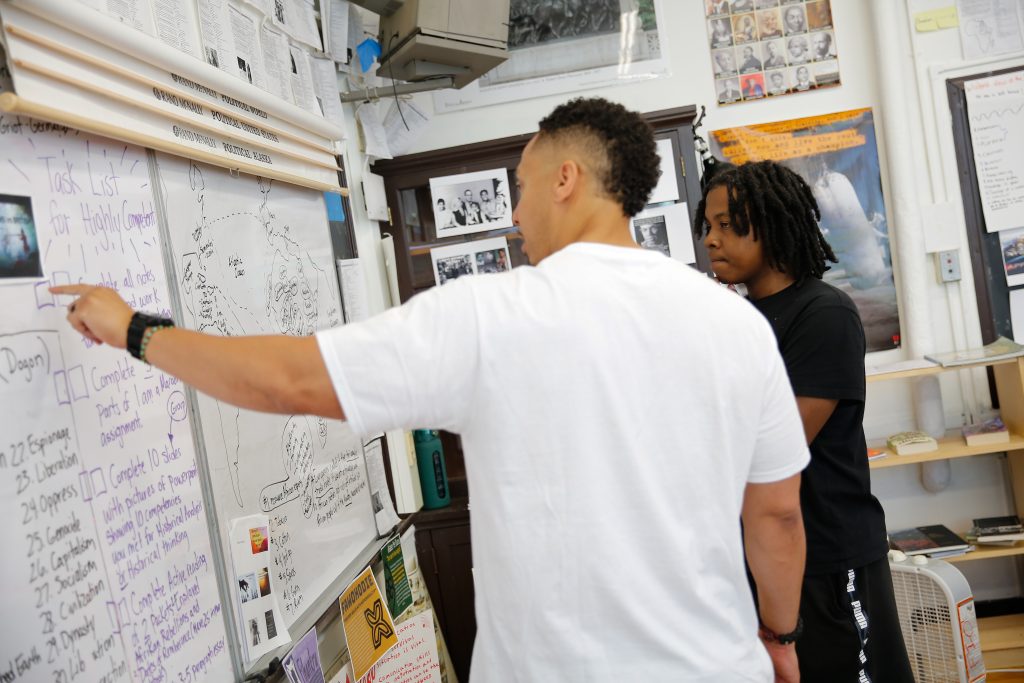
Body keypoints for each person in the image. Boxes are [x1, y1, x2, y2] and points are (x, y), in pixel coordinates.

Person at [54, 97, 809, 682]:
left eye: (521, 188)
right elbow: (775, 514)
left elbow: (289, 380)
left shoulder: (493, 314)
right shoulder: (736, 325)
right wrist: (778, 635)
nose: (515, 215)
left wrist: (134, 330)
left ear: (565, 179)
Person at [695, 160, 915, 683]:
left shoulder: (824, 313)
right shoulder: (739, 319)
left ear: (769, 226)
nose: (711, 240)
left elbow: (775, 448)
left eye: (728, 224)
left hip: (830, 556)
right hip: (767, 559)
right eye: (708, 226)